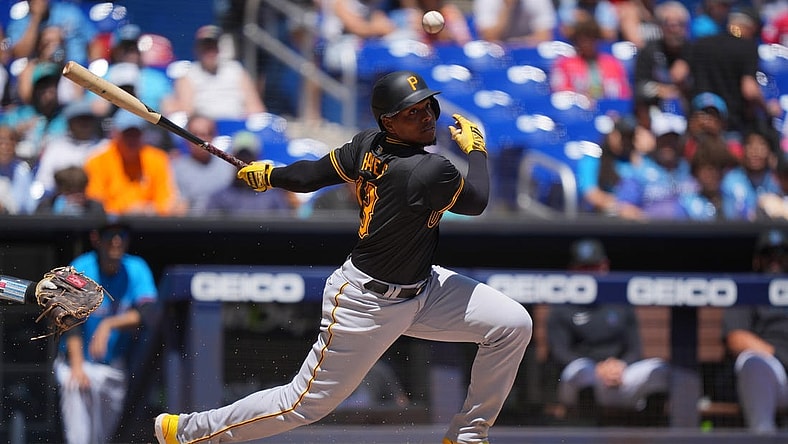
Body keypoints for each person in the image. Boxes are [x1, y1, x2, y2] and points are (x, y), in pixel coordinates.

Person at [154, 70, 533, 444]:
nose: (426, 117)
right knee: (301, 404)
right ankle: (190, 431)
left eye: (427, 107)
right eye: (411, 113)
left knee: (512, 324)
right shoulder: (427, 169)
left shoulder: (368, 144)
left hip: (424, 288)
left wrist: (274, 175)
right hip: (366, 303)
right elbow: (478, 200)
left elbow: (308, 176)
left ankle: (468, 435)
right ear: (388, 122)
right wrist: (477, 149)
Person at [54, 219, 159, 443]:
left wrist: (108, 324)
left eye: (121, 235)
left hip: (112, 366)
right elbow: (67, 317)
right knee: (78, 435)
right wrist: (77, 365)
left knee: (103, 438)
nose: (117, 241)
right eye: (110, 235)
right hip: (76, 361)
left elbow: (148, 313)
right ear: (96, 239)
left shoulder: (135, 268)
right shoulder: (81, 268)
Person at [546, 238, 670, 422]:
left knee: (659, 369)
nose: (590, 273)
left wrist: (620, 366)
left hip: (620, 375)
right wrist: (598, 369)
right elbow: (560, 353)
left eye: (594, 267)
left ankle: (651, 431)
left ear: (605, 266)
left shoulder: (620, 300)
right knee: (582, 371)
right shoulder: (562, 307)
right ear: (573, 270)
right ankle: (587, 433)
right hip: (583, 380)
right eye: (584, 268)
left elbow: (635, 348)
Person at [721, 228, 788, 435]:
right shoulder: (748, 289)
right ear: (757, 260)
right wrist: (779, 357)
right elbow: (736, 338)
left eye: (781, 254)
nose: (774, 260)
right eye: (768, 254)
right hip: (772, 373)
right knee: (753, 363)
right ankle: (763, 436)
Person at [689, 8, 782, 143]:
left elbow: (680, 76)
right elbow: (749, 90)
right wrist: (767, 109)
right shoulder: (747, 47)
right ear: (751, 28)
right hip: (730, 127)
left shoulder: (702, 43)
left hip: (698, 123)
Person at [83, 109, 181, 216]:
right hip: (112, 225)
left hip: (150, 223)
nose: (132, 139)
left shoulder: (157, 159)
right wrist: (126, 210)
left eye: (136, 134)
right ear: (115, 134)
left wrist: (146, 210)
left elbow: (166, 201)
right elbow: (95, 202)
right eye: (127, 134)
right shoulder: (98, 161)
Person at [170, 25, 266, 120]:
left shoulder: (235, 69)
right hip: (204, 129)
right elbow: (186, 111)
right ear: (197, 49)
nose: (210, 52)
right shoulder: (188, 74)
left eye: (213, 47)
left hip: (236, 125)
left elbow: (255, 107)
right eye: (206, 47)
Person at [203, 130, 296, 216]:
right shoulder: (220, 197)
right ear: (232, 158)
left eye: (249, 157)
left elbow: (283, 225)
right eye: (240, 157)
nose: (244, 162)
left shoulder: (273, 197)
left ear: (257, 159)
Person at [575, 114, 648, 219]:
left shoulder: (639, 161)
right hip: (606, 221)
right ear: (611, 135)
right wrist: (620, 208)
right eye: (622, 136)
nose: (626, 141)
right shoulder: (593, 160)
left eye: (630, 137)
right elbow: (591, 194)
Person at [633, 1, 692, 128]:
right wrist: (662, 90)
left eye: (679, 25)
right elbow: (640, 88)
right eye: (669, 25)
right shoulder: (649, 51)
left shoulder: (693, 53)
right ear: (660, 27)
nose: (674, 29)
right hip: (655, 114)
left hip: (687, 114)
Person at [34, 98, 106, 195]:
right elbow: (44, 182)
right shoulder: (56, 148)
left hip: (96, 204)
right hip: (61, 202)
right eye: (79, 119)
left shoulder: (104, 147)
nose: (84, 123)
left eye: (88, 119)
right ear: (70, 122)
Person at [549, 17, 632, 101]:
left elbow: (624, 93)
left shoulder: (612, 63)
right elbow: (559, 92)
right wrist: (581, 98)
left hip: (610, 110)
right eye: (583, 40)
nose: (587, 43)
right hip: (579, 110)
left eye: (592, 38)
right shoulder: (564, 64)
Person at [170, 115, 236, 214]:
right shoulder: (175, 168)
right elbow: (175, 207)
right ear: (186, 138)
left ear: (214, 136)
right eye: (194, 135)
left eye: (205, 134)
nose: (199, 140)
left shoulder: (229, 166)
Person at [5, 0, 100, 67]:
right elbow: (20, 54)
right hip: (42, 71)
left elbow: (94, 41)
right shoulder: (20, 22)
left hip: (75, 69)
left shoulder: (70, 12)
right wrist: (35, 18)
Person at [472, 0, 558, 45]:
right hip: (498, 53)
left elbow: (544, 36)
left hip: (527, 50)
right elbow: (490, 37)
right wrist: (508, 6)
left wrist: (517, 44)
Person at [34, 165, 106, 217]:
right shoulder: (45, 209)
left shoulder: (95, 209)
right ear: (59, 192)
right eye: (70, 193)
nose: (76, 199)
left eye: (80, 193)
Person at [0, 124, 35, 214]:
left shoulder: (22, 170)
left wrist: (5, 208)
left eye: (9, 143)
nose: (5, 148)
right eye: (1, 143)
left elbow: (28, 206)